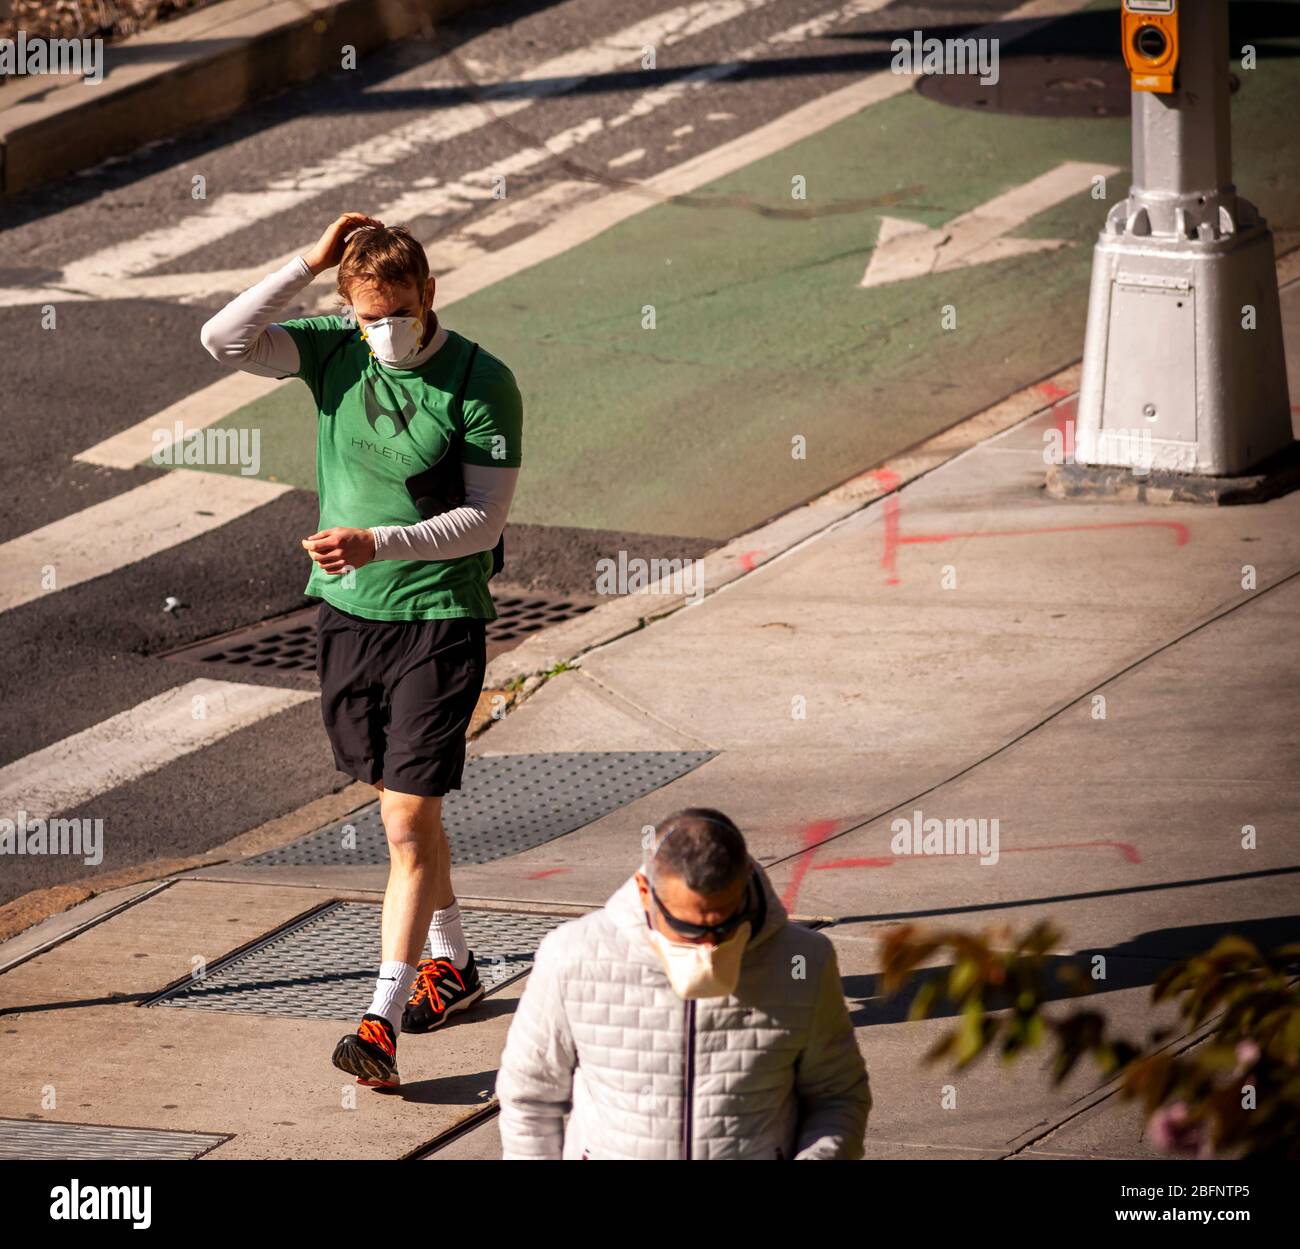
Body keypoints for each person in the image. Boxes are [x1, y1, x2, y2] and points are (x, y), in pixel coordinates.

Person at [200, 213, 523, 1088]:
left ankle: (380, 1015)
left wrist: (378, 541)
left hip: (439, 617)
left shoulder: (479, 380)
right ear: (348, 310)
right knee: (402, 812)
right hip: (347, 615)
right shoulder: (335, 352)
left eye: (401, 310)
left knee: (405, 821)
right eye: (368, 313)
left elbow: (484, 519)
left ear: (429, 296)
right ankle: (454, 961)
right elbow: (221, 338)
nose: (387, 328)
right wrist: (309, 259)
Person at [496, 808, 871, 1158]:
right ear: (646, 892)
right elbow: (529, 1097)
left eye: (725, 924)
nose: (709, 945)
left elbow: (837, 1096)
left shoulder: (802, 960)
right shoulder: (573, 955)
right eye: (688, 928)